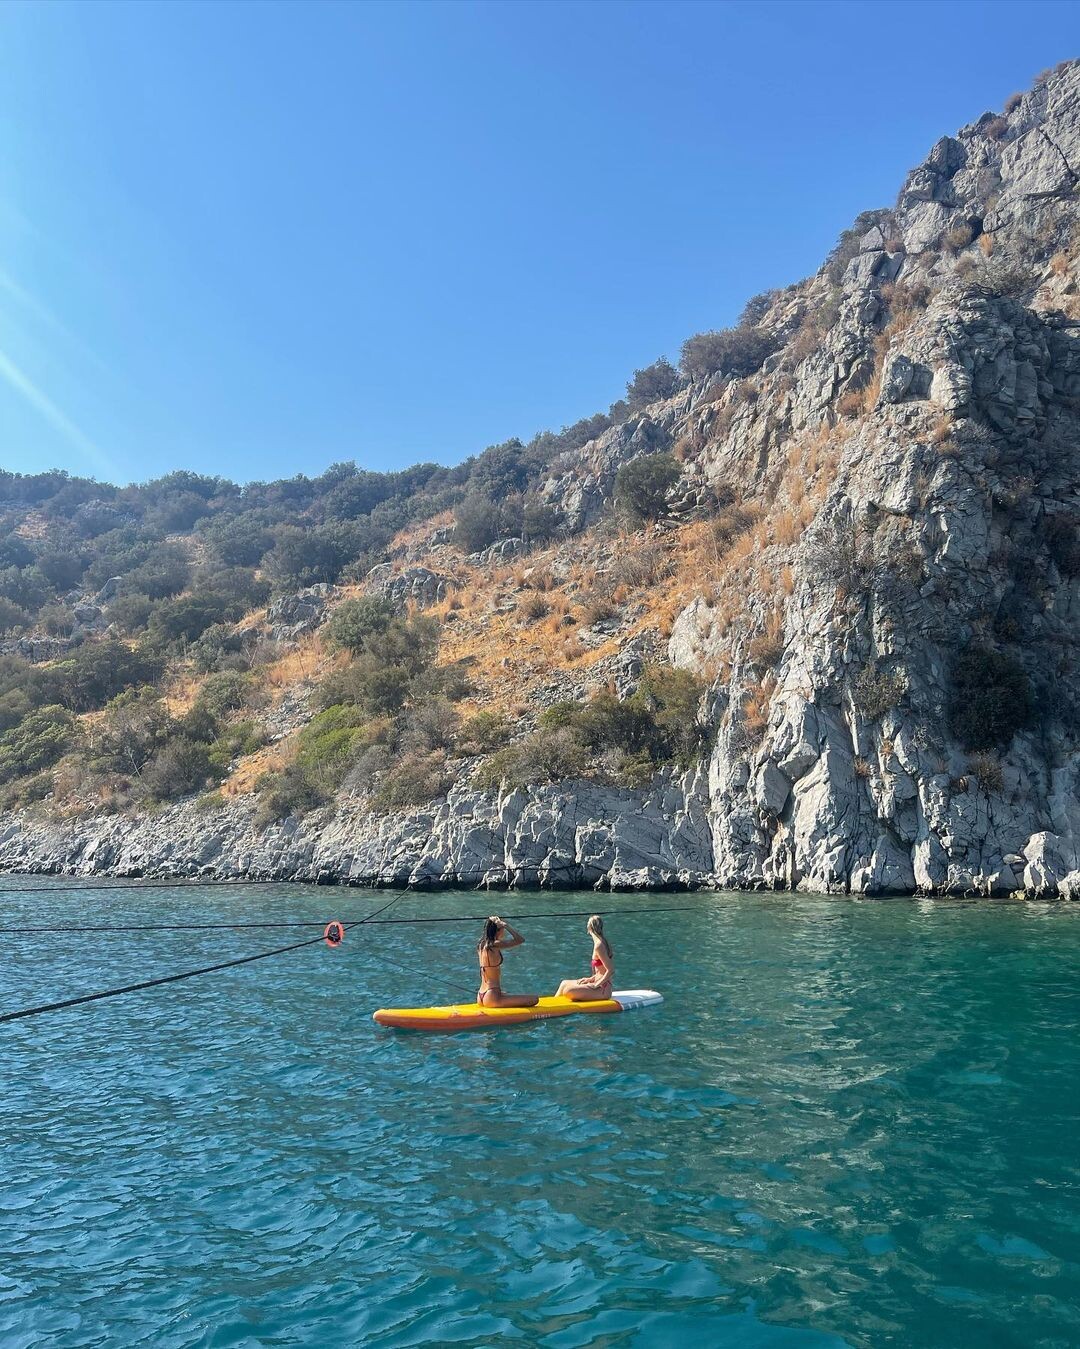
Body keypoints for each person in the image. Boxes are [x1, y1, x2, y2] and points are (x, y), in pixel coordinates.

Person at [476, 916, 539, 1008]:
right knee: (534, 999)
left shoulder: (481, 945)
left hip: (481, 994)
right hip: (492, 995)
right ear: (498, 930)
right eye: (503, 929)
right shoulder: (495, 945)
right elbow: (520, 940)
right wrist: (506, 925)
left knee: (508, 995)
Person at [555, 915, 614, 1001]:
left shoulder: (599, 946)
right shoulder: (602, 942)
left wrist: (596, 985)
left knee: (568, 991)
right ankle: (554, 1005)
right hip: (596, 982)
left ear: (589, 928)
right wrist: (590, 979)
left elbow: (610, 970)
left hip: (603, 989)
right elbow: (601, 970)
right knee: (564, 983)